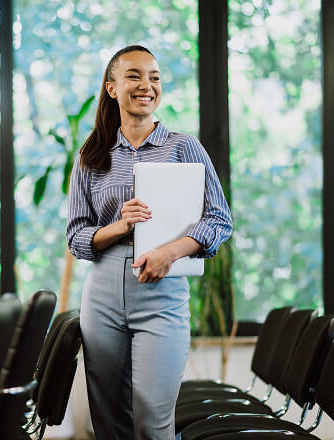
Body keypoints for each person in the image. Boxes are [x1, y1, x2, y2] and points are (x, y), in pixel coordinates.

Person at [66, 45, 232, 440]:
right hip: (102, 294)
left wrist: (169, 252)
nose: (147, 85)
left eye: (154, 77)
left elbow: (219, 220)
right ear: (111, 88)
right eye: (134, 76)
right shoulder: (91, 156)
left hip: (162, 288)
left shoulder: (183, 147)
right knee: (108, 423)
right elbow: (76, 237)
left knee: (152, 422)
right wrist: (121, 227)